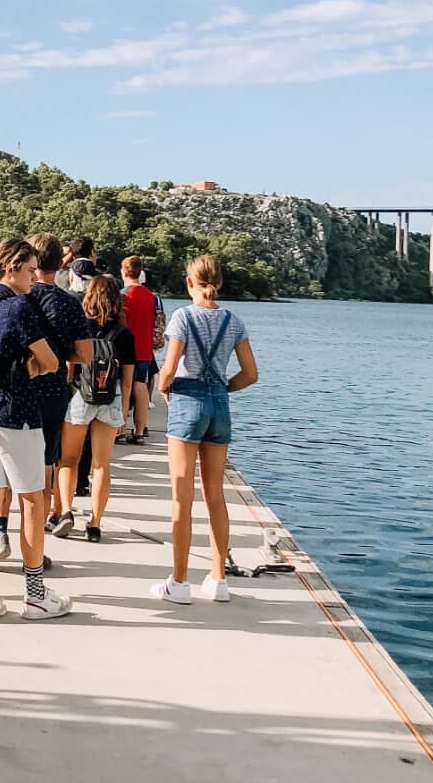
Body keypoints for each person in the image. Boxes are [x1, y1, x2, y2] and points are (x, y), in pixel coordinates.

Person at [0, 239, 70, 623]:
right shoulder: (17, 306)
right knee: (32, 500)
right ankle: (34, 595)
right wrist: (33, 366)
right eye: (30, 270)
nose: (34, 277)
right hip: (19, 413)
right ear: (11, 267)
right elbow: (50, 360)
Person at [151, 255, 258, 604]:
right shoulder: (233, 320)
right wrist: (224, 389)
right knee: (216, 494)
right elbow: (250, 374)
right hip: (219, 403)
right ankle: (219, 579)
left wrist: (164, 389)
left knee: (182, 497)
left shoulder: (183, 317)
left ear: (189, 283)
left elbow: (169, 367)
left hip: (187, 399)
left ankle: (179, 583)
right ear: (220, 283)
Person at [52, 274, 136, 541]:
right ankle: (96, 523)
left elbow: (69, 368)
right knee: (101, 466)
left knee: (68, 460)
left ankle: (65, 511)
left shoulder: (80, 327)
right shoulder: (124, 335)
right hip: (109, 399)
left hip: (80, 397)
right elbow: (127, 380)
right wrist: (123, 413)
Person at [27, 233, 93, 533]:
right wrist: (59, 353)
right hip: (55, 390)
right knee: (45, 462)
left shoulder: (20, 298)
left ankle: (2, 528)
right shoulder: (70, 304)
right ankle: (38, 538)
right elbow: (85, 355)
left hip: (20, 388)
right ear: (60, 262)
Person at [121, 254, 157, 444]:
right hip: (144, 348)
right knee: (141, 387)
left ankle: (119, 429)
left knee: (124, 387)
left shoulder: (123, 294)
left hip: (125, 348)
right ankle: (139, 431)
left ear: (124, 271)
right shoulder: (150, 296)